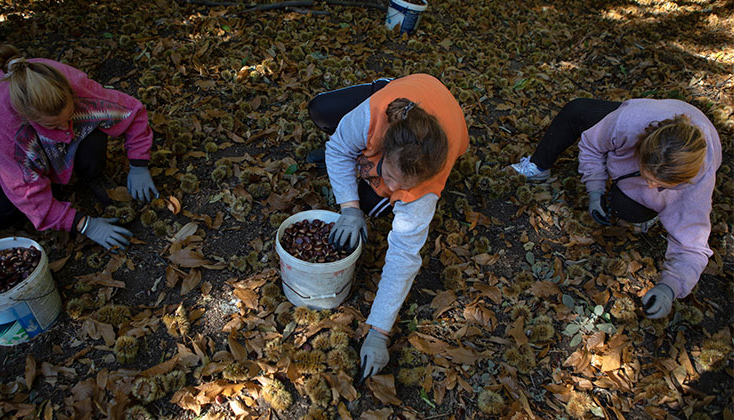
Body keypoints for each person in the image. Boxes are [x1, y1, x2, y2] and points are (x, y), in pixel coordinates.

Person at [308, 74, 469, 378]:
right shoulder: (374, 116)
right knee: (320, 109)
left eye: (401, 186)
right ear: (384, 145)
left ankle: (362, 164)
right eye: (389, 175)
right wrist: (349, 209)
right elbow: (338, 149)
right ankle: (369, 125)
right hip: (410, 92)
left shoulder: (424, 190)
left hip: (449, 120)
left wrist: (378, 332)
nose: (392, 188)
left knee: (372, 203)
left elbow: (403, 257)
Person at [510, 98, 721, 319]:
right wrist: (595, 189)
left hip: (687, 149)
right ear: (640, 151)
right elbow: (592, 145)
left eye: (660, 186)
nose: (651, 186)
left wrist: (670, 287)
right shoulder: (629, 123)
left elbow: (693, 247)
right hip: (653, 116)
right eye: (647, 177)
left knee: (625, 206)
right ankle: (538, 165)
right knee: (577, 110)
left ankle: (646, 210)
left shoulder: (694, 187)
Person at [0, 44, 158, 249]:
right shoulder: (2, 124)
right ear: (29, 118)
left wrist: (139, 164)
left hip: (49, 119)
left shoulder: (74, 84)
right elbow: (23, 189)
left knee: (91, 150)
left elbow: (130, 111)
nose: (66, 128)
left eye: (69, 117)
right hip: (1, 146)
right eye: (53, 125)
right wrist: (84, 225)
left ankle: (82, 172)